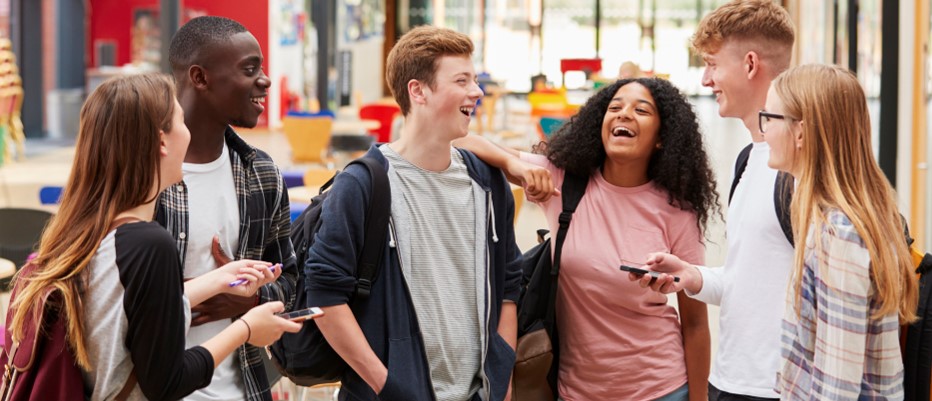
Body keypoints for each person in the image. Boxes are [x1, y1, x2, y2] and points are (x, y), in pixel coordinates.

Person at [5, 73, 301, 400]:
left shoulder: (87, 232)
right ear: (162, 141)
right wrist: (246, 329)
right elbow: (167, 382)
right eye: (181, 122)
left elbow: (129, 314)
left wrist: (218, 280)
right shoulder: (150, 245)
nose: (189, 133)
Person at [456, 76, 718, 401]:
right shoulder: (564, 183)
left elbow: (695, 324)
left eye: (641, 110)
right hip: (576, 391)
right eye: (615, 108)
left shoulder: (677, 211)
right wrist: (514, 164)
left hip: (662, 388)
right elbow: (460, 140)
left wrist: (699, 398)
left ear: (661, 138)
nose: (624, 114)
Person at [305, 26, 522, 401]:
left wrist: (501, 383)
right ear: (418, 91)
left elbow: (508, 287)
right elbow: (324, 295)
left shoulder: (487, 182)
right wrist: (388, 387)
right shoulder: (363, 184)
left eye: (474, 80)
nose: (476, 91)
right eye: (462, 80)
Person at [632, 2, 797, 400]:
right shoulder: (749, 159)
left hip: (778, 387)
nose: (706, 80)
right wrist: (693, 277)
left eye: (712, 65)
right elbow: (756, 280)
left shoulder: (797, 168)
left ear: (751, 64)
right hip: (732, 379)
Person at [160, 16, 299, 401]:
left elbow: (291, 280)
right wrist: (197, 290)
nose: (265, 81)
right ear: (200, 78)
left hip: (244, 389)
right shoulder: (141, 172)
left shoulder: (263, 175)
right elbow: (102, 292)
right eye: (249, 69)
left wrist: (250, 299)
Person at [761, 64, 917, 399]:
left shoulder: (839, 235)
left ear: (800, 132)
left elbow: (837, 387)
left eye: (769, 118)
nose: (764, 132)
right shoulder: (837, 220)